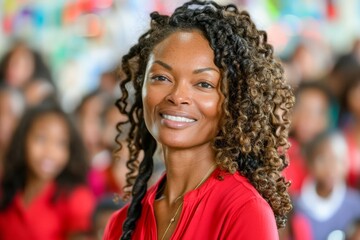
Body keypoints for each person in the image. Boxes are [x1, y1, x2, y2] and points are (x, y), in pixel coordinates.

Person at [104, 1, 294, 239]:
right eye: (161, 77)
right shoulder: (122, 223)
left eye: (203, 84)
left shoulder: (244, 211)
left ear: (235, 101)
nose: (177, 96)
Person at [0, 102, 95, 240]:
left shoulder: (76, 199)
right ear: (23, 140)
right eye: (41, 138)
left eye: (61, 143)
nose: (50, 152)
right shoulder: (7, 190)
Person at [295, 131, 360, 240]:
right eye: (323, 160)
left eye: (338, 160)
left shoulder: (355, 206)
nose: (331, 167)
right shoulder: (296, 206)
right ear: (309, 163)